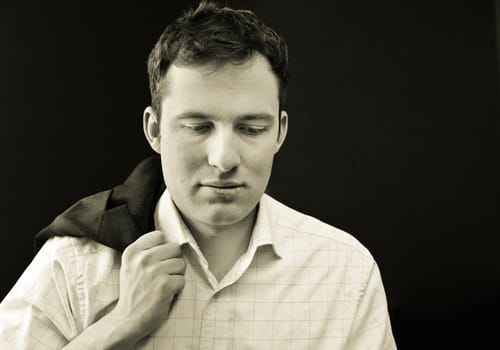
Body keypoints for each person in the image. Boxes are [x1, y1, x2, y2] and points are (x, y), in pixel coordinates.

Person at [0, 1, 396, 349]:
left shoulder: (345, 272)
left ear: (280, 131)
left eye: (251, 128)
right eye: (198, 126)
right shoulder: (74, 266)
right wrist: (119, 327)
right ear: (154, 130)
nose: (223, 159)